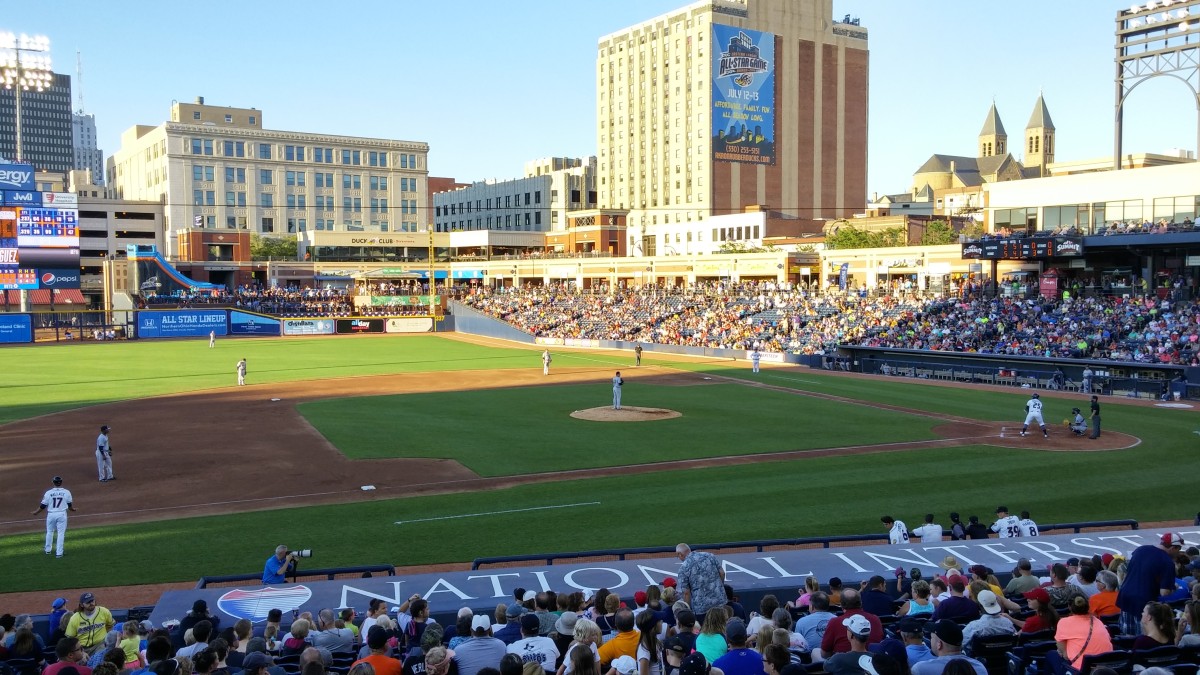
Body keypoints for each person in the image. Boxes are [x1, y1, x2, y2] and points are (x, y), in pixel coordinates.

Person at [1116, 532, 1182, 636]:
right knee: (1142, 637)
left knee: (1127, 637)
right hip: (1143, 605)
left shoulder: (1140, 549)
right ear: (1173, 548)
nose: (1179, 552)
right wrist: (1175, 588)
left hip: (1125, 597)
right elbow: (1165, 592)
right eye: (1179, 549)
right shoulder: (1167, 562)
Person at [1043, 595, 1113, 675]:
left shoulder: (1064, 622)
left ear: (1069, 607)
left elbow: (1065, 655)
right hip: (1106, 669)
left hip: (1081, 671)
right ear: (1088, 606)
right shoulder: (1098, 621)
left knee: (1051, 654)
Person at [909, 621, 986, 675]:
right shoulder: (979, 667)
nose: (930, 640)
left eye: (931, 638)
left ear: (939, 645)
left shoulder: (920, 669)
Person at [820, 590, 882, 656]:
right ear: (861, 603)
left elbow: (825, 653)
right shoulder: (875, 619)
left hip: (844, 661)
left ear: (841, 605)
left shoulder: (834, 622)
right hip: (872, 660)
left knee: (816, 651)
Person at [676, 544, 726, 620]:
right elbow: (722, 573)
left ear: (680, 554)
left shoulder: (683, 569)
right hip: (719, 601)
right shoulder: (709, 556)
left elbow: (686, 593)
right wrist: (719, 588)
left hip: (701, 608)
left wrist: (687, 612)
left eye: (678, 556)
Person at [34, 475, 76, 558]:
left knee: (49, 531)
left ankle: (47, 550)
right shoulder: (66, 492)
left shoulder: (48, 493)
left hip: (51, 514)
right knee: (61, 533)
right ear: (61, 482)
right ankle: (59, 553)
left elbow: (43, 506)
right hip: (62, 514)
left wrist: (36, 512)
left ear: (53, 482)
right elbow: (70, 505)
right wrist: (73, 510)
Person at [67, 593, 115, 657]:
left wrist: (106, 641)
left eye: (92, 601)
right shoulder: (75, 618)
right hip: (82, 648)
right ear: (81, 605)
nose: (91, 603)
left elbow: (110, 626)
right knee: (81, 661)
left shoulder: (104, 612)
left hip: (99, 645)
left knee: (100, 658)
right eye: (88, 602)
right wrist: (80, 651)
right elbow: (71, 638)